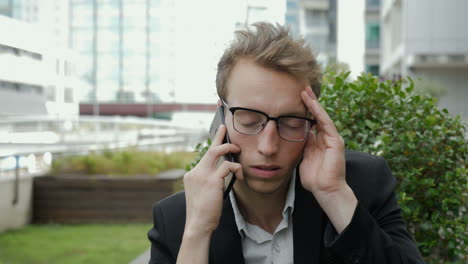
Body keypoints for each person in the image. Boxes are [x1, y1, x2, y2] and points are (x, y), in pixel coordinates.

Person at [147, 22, 425, 264]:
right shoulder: (177, 218)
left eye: (291, 122)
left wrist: (334, 195)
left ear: (312, 122)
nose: (268, 147)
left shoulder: (361, 185)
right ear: (221, 116)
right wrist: (197, 230)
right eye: (248, 120)